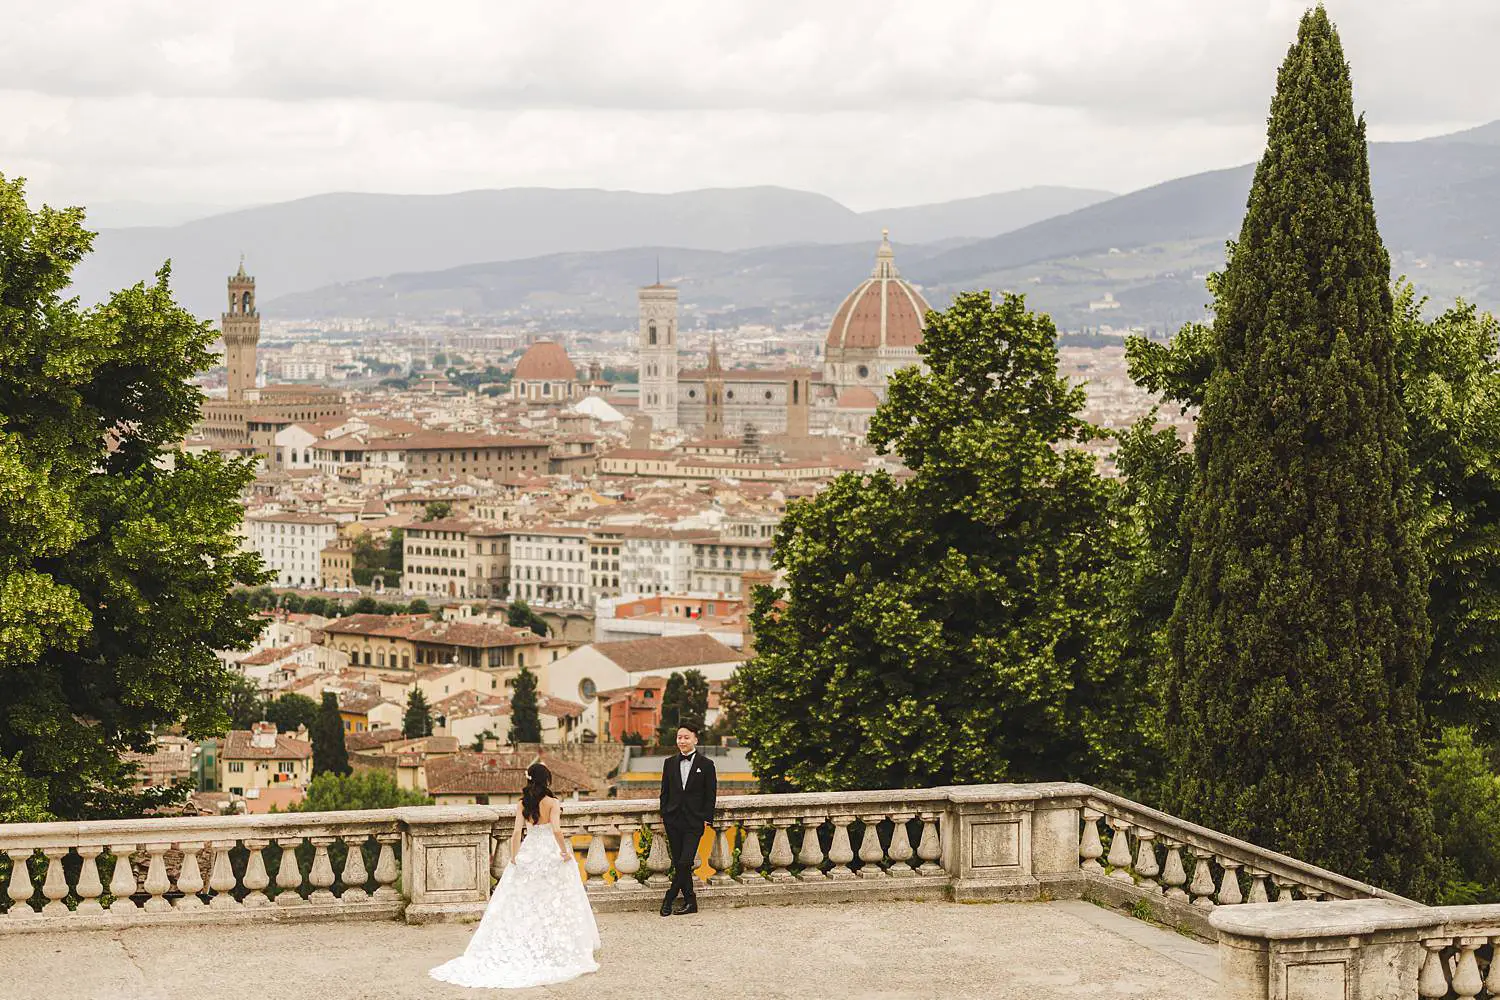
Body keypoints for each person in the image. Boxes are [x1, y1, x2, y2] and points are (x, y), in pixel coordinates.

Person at [429, 763, 601, 989]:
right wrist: (563, 851)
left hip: (529, 850)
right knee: (553, 899)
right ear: (546, 780)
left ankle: (529, 939)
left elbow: (517, 832)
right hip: (548, 850)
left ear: (530, 779)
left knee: (525, 900)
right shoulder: (553, 803)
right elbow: (557, 830)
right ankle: (554, 942)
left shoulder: (523, 803)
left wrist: (513, 857)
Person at [658, 721, 717, 916]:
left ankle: (670, 896)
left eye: (686, 737)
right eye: (679, 737)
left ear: (695, 739)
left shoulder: (707, 765)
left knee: (685, 861)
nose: (682, 741)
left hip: (694, 821)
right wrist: (665, 813)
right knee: (678, 862)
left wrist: (707, 817)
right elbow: (664, 792)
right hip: (673, 820)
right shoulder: (669, 763)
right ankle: (691, 902)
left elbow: (711, 794)